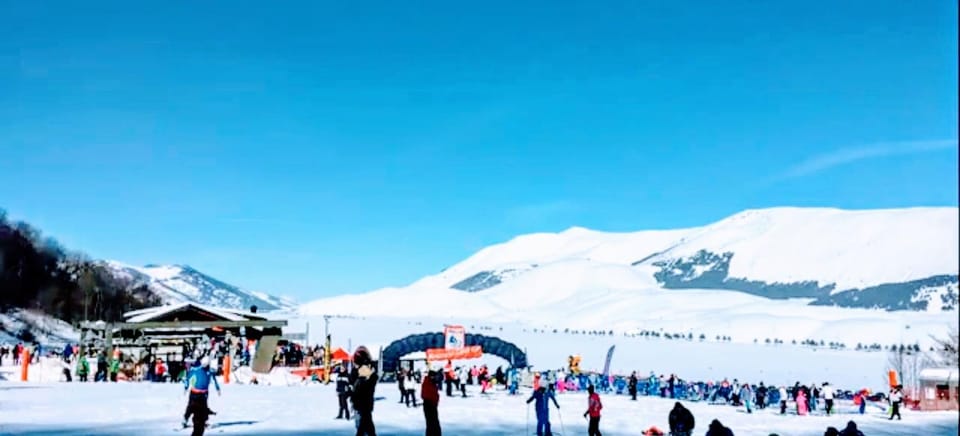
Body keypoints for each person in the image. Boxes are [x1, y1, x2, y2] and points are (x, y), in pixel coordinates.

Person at [182, 357, 221, 434]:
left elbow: (214, 380)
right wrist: (186, 387)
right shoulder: (195, 370)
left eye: (206, 365)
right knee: (191, 407)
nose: (205, 366)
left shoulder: (210, 371)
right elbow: (188, 378)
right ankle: (185, 419)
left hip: (204, 393)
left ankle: (203, 420)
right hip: (194, 392)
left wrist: (218, 389)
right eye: (204, 364)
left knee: (204, 407)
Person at [351, 346, 379, 436]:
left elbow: (361, 388)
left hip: (362, 404)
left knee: (363, 425)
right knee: (366, 425)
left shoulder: (364, 371)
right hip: (363, 404)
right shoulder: (362, 371)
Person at [422, 370, 442, 436]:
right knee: (432, 423)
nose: (437, 378)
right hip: (429, 404)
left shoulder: (431, 382)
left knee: (433, 423)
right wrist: (434, 401)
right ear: (432, 377)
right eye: (435, 376)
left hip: (432, 404)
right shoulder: (428, 383)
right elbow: (426, 394)